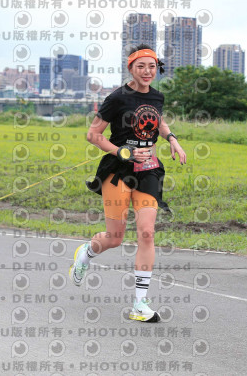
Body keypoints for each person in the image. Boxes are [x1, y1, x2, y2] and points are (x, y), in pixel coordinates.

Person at [69, 44, 187, 322]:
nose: (147, 71)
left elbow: (157, 121)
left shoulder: (157, 96)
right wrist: (122, 152)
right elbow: (93, 135)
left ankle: (139, 304)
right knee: (115, 237)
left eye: (152, 66)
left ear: (157, 69)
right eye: (141, 66)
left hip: (149, 171)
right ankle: (86, 252)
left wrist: (172, 139)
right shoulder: (117, 98)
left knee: (147, 232)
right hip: (118, 171)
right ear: (130, 68)